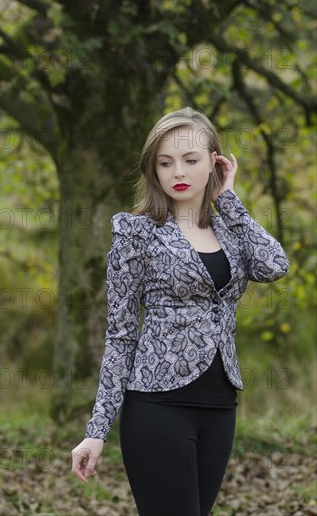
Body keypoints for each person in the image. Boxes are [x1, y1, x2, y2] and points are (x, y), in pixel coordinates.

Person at [71, 107, 289, 515]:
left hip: (220, 406)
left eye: (191, 160)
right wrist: (96, 431)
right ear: (153, 169)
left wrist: (230, 200)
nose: (178, 171)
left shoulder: (231, 230)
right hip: (157, 407)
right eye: (166, 162)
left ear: (215, 163)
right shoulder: (135, 234)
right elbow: (120, 336)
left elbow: (274, 266)